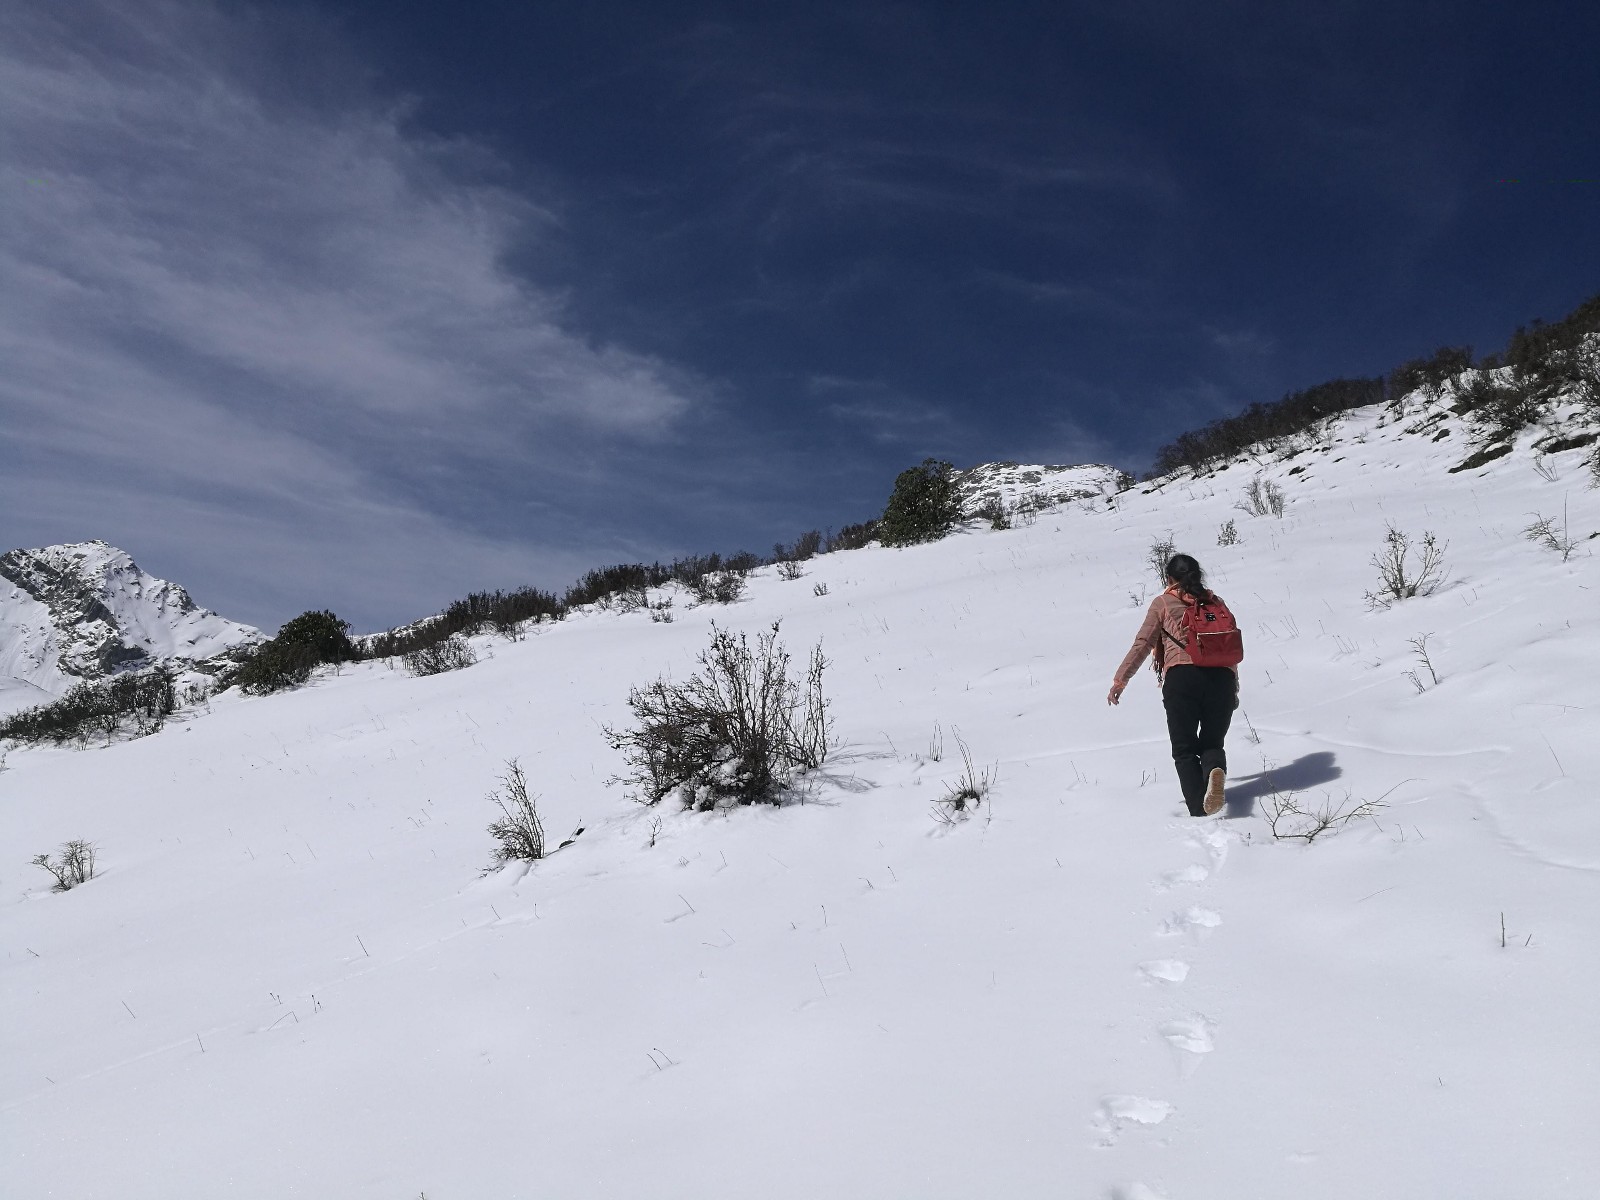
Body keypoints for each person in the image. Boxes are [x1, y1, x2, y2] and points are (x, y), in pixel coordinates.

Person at [1107, 553, 1236, 817]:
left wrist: (1121, 680)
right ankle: (1214, 769)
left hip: (1182, 678)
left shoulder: (1163, 603)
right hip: (1221, 679)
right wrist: (1233, 687)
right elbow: (1229, 648)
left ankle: (1200, 812)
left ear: (1169, 578)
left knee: (1184, 749)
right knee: (1212, 742)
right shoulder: (1216, 603)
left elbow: (1143, 644)